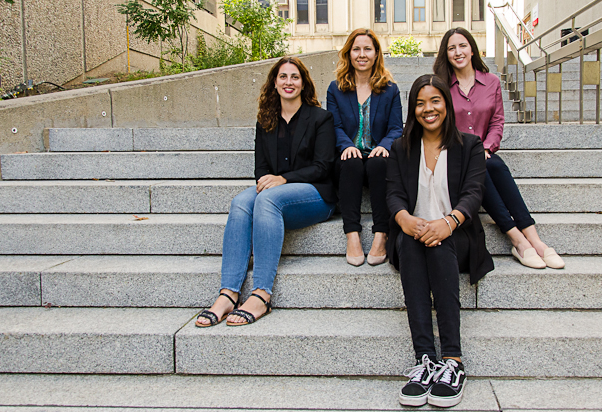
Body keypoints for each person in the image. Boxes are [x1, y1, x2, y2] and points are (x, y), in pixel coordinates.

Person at [195, 56, 337, 327]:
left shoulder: (321, 118)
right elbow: (261, 169)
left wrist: (283, 179)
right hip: (275, 194)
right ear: (274, 83)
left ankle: (261, 293)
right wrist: (269, 180)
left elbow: (323, 167)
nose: (289, 82)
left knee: (268, 199)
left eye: (295, 77)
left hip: (316, 195)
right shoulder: (266, 121)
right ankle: (229, 292)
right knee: (240, 202)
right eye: (283, 76)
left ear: (304, 83)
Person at [387, 74, 494, 408]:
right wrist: (404, 220)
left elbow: (474, 193)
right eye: (420, 103)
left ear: (446, 104)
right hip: (413, 233)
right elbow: (392, 194)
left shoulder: (469, 145)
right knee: (413, 245)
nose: (427, 109)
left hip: (457, 237)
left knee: (438, 244)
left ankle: (453, 360)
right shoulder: (401, 147)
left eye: (435, 101)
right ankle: (425, 360)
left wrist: (448, 223)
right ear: (412, 109)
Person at [433, 27, 565, 269]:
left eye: (462, 45)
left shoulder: (491, 82)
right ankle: (518, 240)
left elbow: (497, 122)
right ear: (446, 53)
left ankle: (535, 240)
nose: (458, 52)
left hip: (485, 153)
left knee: (493, 165)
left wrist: (485, 147)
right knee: (482, 168)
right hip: (454, 157)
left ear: (472, 49)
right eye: (451, 48)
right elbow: (438, 127)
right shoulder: (441, 86)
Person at [326, 28, 403, 266]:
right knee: (350, 161)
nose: (362, 54)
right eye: (356, 49)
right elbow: (334, 126)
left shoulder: (390, 89)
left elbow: (396, 128)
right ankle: (352, 235)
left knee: (380, 163)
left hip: (377, 161)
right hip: (349, 164)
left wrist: (386, 145)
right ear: (348, 54)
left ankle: (381, 235)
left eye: (367, 49)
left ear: (376, 53)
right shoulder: (335, 88)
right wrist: (346, 145)